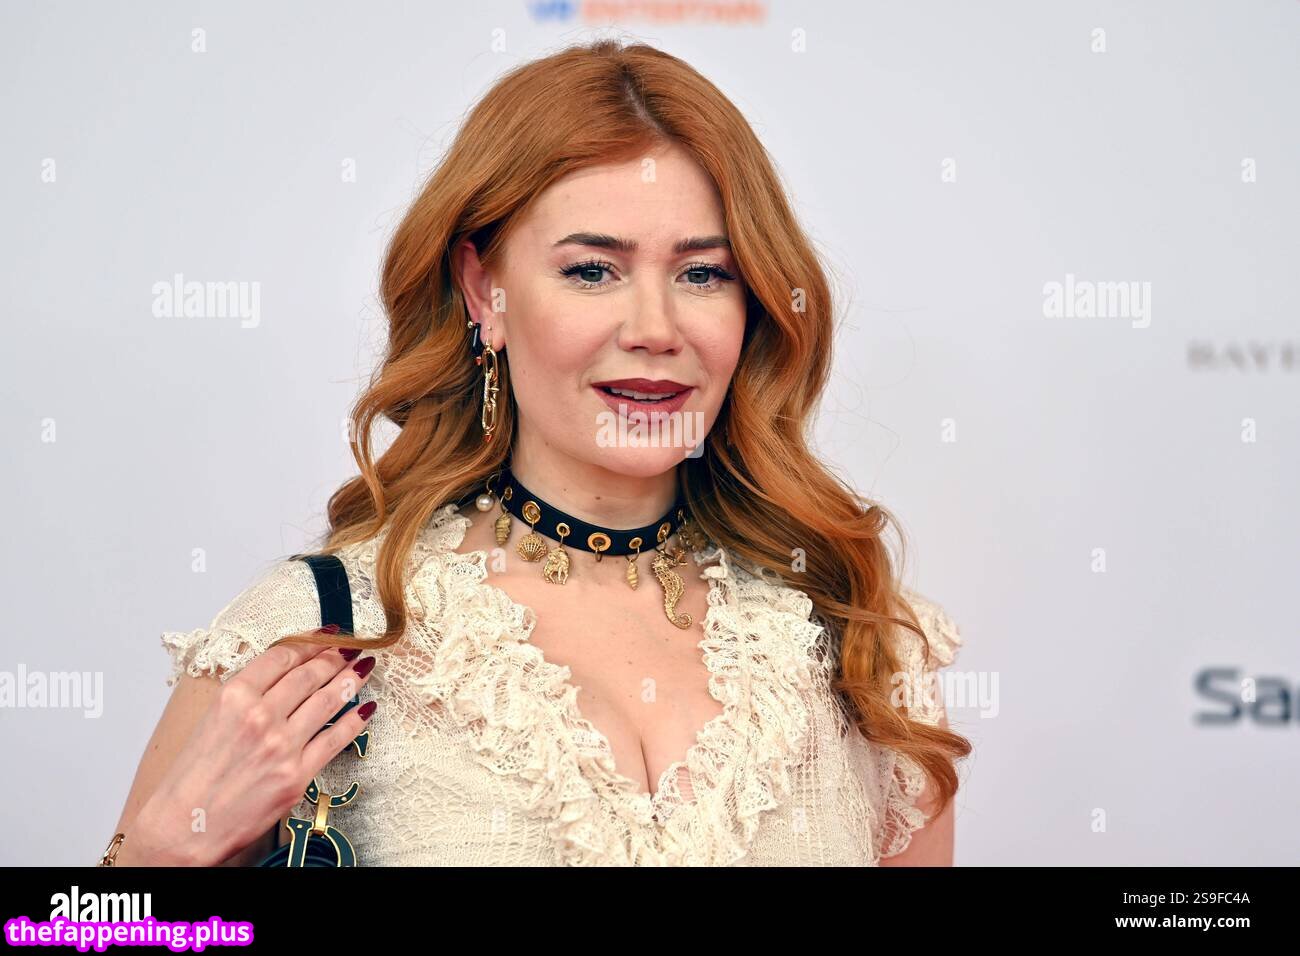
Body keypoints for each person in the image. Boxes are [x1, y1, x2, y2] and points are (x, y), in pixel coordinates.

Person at [104, 38, 971, 867]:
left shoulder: (862, 641)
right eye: (593, 270)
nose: (655, 328)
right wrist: (157, 855)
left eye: (703, 273)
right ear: (485, 291)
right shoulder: (321, 630)